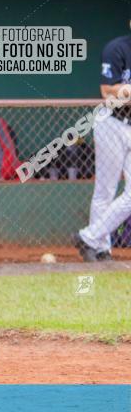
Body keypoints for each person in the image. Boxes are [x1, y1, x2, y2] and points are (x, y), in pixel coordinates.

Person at [73, 27, 131, 262]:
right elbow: (107, 90)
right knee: (105, 190)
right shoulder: (116, 48)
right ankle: (100, 248)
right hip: (112, 122)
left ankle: (88, 237)